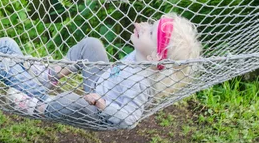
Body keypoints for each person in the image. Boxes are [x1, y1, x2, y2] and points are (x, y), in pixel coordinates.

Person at [42, 13, 202, 128]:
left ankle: (38, 106)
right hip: (99, 82)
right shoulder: (142, 57)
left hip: (97, 112)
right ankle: (50, 75)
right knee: (92, 45)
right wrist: (144, 31)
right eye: (151, 25)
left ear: (157, 56)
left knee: (69, 101)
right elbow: (147, 43)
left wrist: (102, 104)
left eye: (151, 32)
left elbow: (130, 119)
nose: (146, 27)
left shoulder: (140, 83)